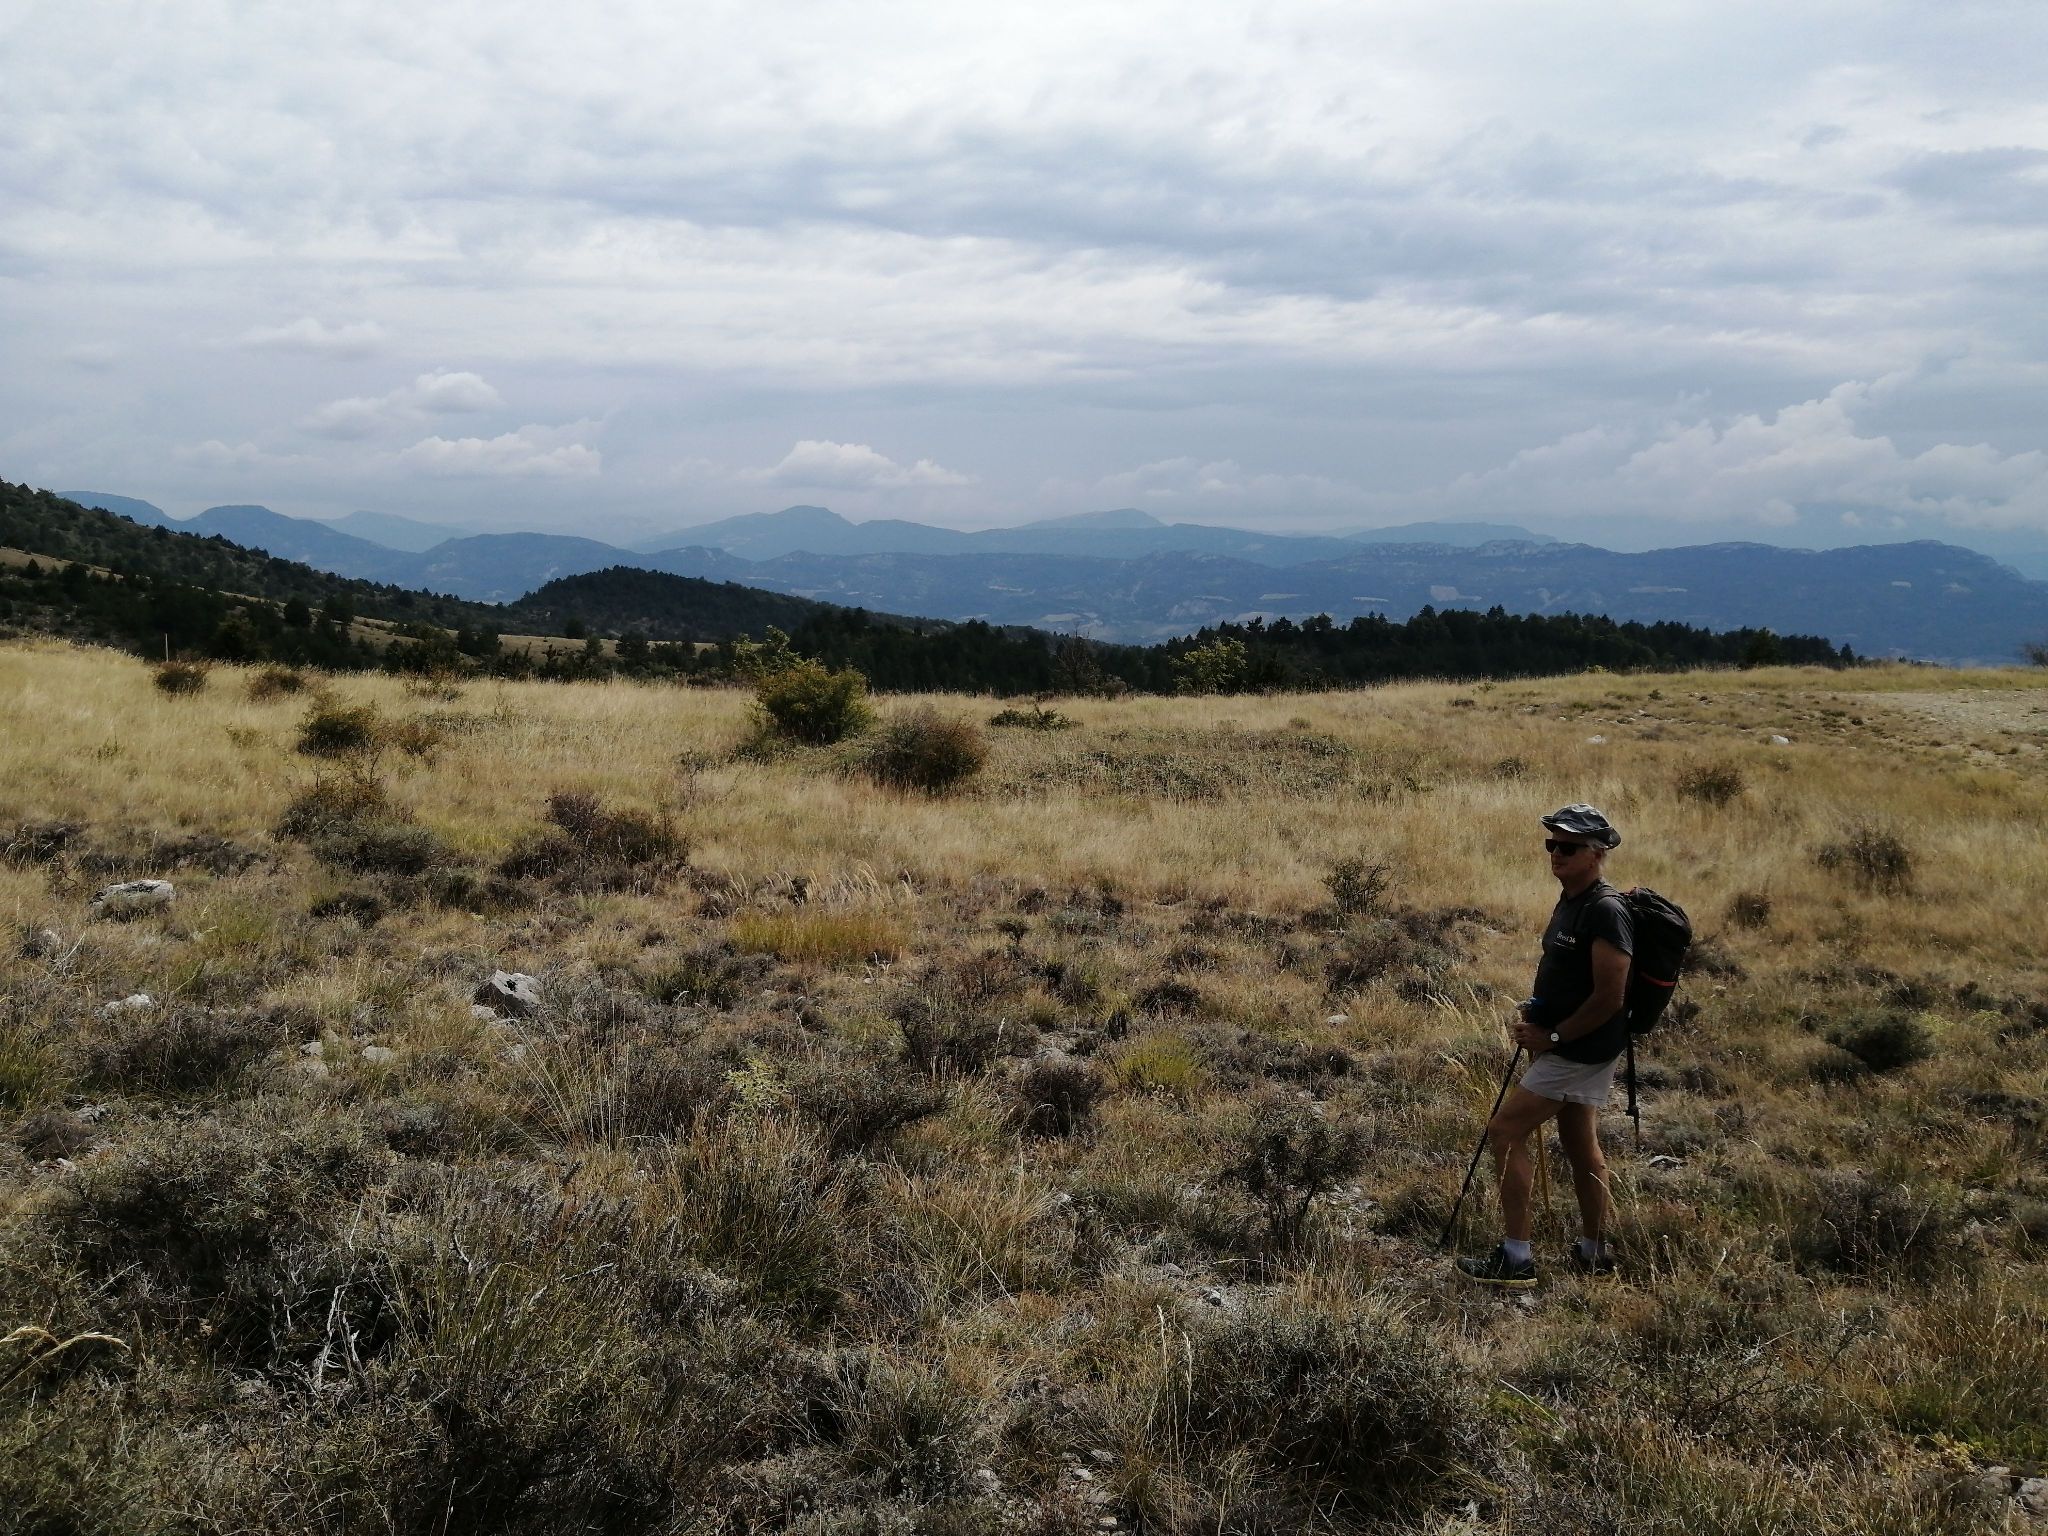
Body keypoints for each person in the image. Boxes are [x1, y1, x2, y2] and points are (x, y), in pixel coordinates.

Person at [1456, 803, 1633, 1287]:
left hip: (1578, 1049)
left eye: (1569, 847)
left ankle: (1517, 1259)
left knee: (1505, 1131)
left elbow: (1610, 996)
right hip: (1574, 1044)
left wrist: (1553, 1036)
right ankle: (1594, 1252)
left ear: (1597, 853)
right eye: (1552, 844)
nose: (1556, 853)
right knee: (1580, 1143)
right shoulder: (1572, 899)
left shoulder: (1605, 910)